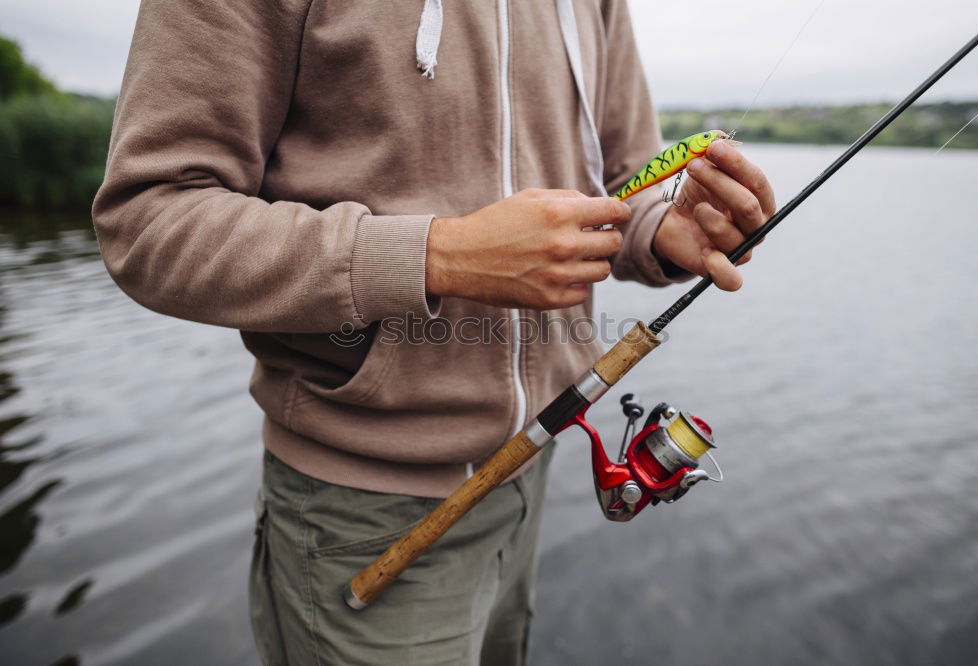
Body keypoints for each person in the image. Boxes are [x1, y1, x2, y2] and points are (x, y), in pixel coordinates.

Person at [93, 1, 775, 664]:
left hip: (529, 477)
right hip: (358, 512)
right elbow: (151, 220)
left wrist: (661, 232)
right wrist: (439, 254)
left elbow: (621, 182)